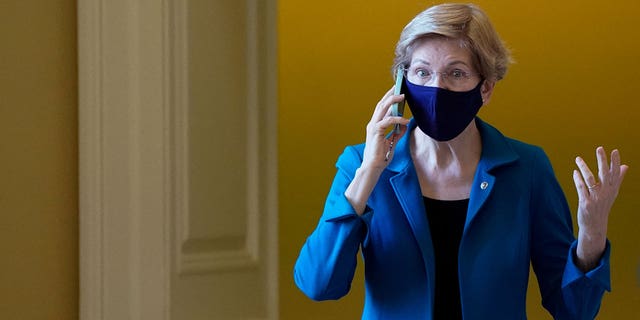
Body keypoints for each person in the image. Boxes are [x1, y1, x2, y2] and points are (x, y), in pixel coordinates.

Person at [293, 3, 629, 320]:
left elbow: (574, 310)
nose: (436, 88)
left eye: (456, 73)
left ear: (486, 88)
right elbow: (319, 285)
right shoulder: (360, 164)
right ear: (401, 82)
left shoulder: (527, 169)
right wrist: (368, 173)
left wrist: (592, 236)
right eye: (421, 72)